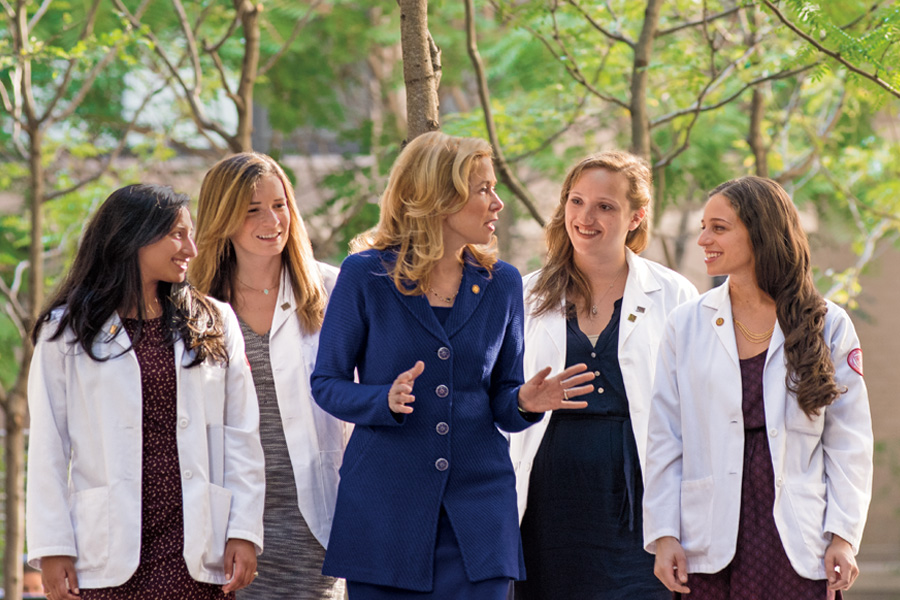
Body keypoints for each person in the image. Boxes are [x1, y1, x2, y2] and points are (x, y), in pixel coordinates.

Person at [310, 131, 595, 600]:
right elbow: (326, 383)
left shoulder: (501, 282)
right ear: (439, 197)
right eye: (483, 189)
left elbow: (502, 396)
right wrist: (381, 398)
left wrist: (524, 401)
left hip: (479, 519)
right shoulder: (365, 275)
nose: (497, 203)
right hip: (387, 516)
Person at [25, 184, 265, 600]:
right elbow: (49, 443)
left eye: (190, 234)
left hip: (193, 541)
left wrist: (243, 531)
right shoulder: (65, 331)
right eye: (177, 234)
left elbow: (241, 435)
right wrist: (52, 547)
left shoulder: (215, 321)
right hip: (106, 546)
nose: (191, 247)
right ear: (131, 236)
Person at [643, 176, 873, 599]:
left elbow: (849, 443)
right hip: (707, 535)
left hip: (796, 537)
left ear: (760, 232)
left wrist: (843, 534)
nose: (703, 240)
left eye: (719, 228)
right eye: (702, 226)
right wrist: (663, 532)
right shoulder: (686, 323)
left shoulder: (828, 324)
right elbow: (665, 437)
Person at [508, 151, 697, 599]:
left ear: (636, 216)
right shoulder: (525, 293)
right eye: (576, 201)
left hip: (637, 501)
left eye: (605, 206)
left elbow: (694, 407)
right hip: (547, 498)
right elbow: (499, 396)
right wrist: (523, 399)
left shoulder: (673, 295)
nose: (585, 217)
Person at [191, 152, 346, 599]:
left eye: (279, 205)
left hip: (314, 514)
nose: (272, 220)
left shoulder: (331, 291)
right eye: (252, 209)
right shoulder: (195, 307)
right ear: (222, 218)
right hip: (229, 519)